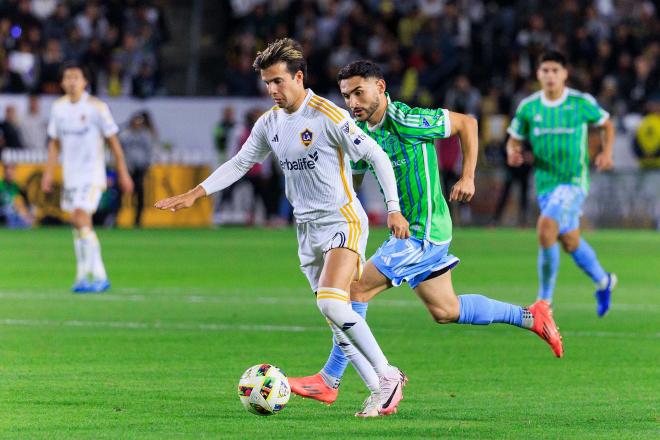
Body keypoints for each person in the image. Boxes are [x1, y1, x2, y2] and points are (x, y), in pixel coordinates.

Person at [154, 38, 409, 418]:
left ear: (299, 77)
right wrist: (198, 192)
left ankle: (389, 375)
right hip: (306, 229)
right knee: (336, 319)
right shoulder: (269, 123)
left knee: (330, 300)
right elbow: (240, 163)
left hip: (343, 219)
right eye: (267, 84)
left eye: (278, 82)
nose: (272, 90)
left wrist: (392, 209)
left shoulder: (328, 114)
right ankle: (377, 390)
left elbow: (376, 156)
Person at [288, 60, 564, 405]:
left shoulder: (406, 119)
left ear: (381, 88)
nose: (353, 102)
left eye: (359, 92)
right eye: (346, 96)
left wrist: (468, 176)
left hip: (424, 232)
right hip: (412, 234)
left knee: (353, 290)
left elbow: (468, 123)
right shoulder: (361, 133)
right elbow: (351, 176)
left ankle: (330, 380)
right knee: (446, 310)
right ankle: (530, 316)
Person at [505, 51, 617, 316]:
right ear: (538, 74)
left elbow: (607, 124)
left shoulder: (580, 102)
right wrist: (512, 151)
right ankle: (604, 281)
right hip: (545, 184)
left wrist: (607, 152)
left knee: (546, 228)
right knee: (569, 241)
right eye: (545, 70)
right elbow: (514, 138)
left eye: (556, 70)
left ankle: (544, 303)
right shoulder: (529, 107)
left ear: (565, 74)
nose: (550, 75)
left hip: (574, 182)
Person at [42, 62, 133, 293]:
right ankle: (85, 275)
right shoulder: (58, 108)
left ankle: (98, 275)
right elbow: (54, 143)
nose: (72, 81)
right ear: (62, 83)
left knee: (80, 216)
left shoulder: (96, 108)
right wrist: (48, 174)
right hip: (71, 176)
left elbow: (113, 141)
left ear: (85, 82)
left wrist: (122, 171)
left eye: (76, 77)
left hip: (92, 175)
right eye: (68, 77)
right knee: (78, 224)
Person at [119, 111, 154, 227]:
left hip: (140, 168)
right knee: (120, 194)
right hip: (127, 169)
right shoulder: (125, 135)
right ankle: (114, 218)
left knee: (140, 195)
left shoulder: (145, 135)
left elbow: (149, 151)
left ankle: (138, 220)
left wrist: (147, 165)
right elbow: (119, 151)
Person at [0, 162, 34, 228]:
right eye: (9, 171)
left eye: (13, 170)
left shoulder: (16, 186)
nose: (11, 173)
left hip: (13, 211)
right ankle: (27, 220)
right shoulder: (1, 185)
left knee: (21, 202)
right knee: (17, 202)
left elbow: (24, 200)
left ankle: (26, 220)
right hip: (3, 210)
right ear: (5, 172)